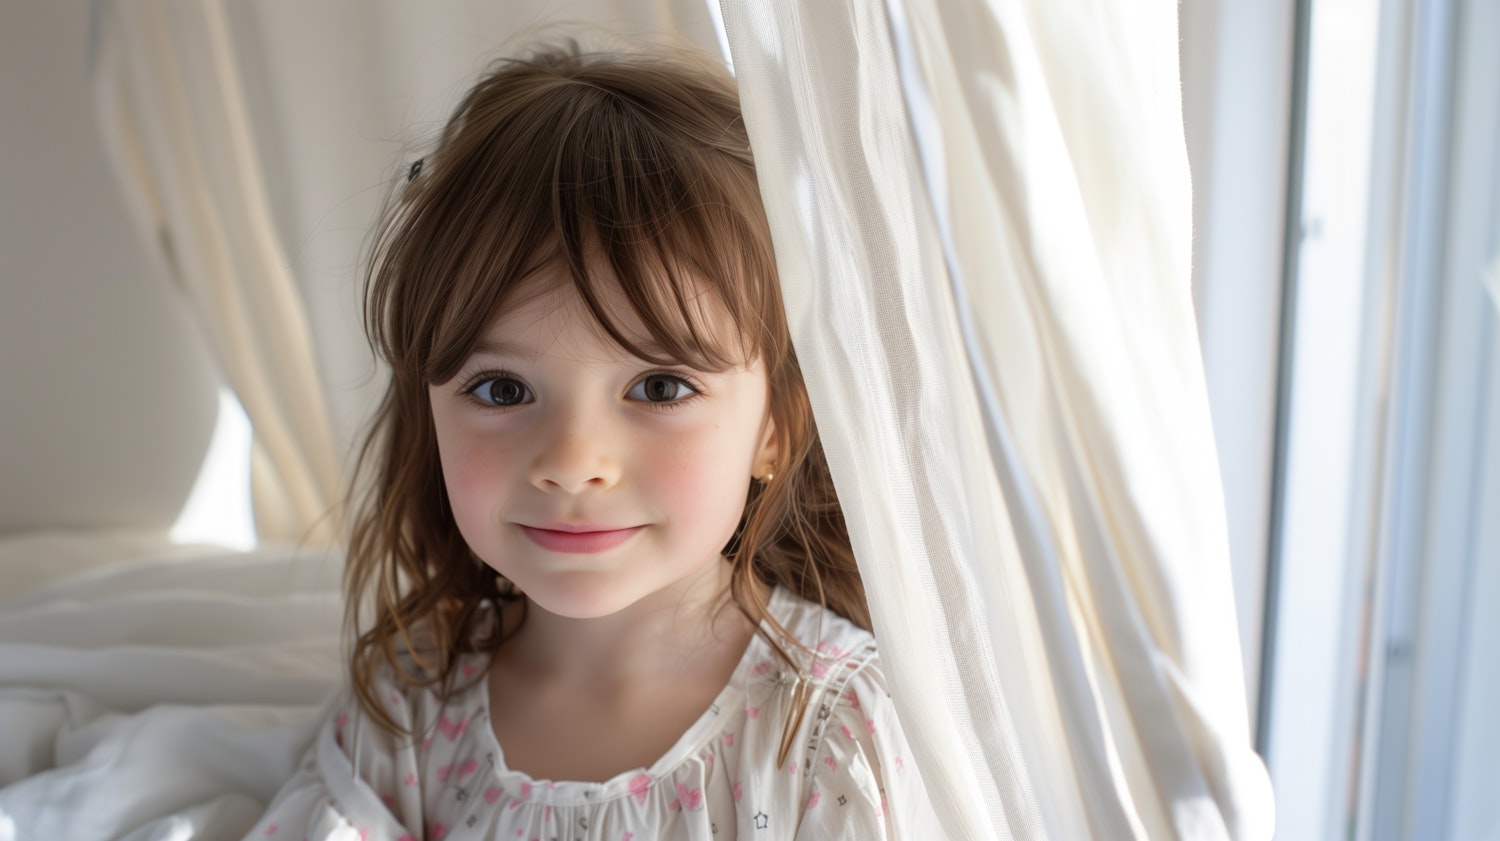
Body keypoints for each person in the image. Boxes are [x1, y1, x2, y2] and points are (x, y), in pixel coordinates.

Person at [249, 35, 938, 841]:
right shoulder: (408, 709)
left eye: (659, 387)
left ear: (777, 426)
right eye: (502, 390)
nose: (573, 462)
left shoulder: (832, 731)